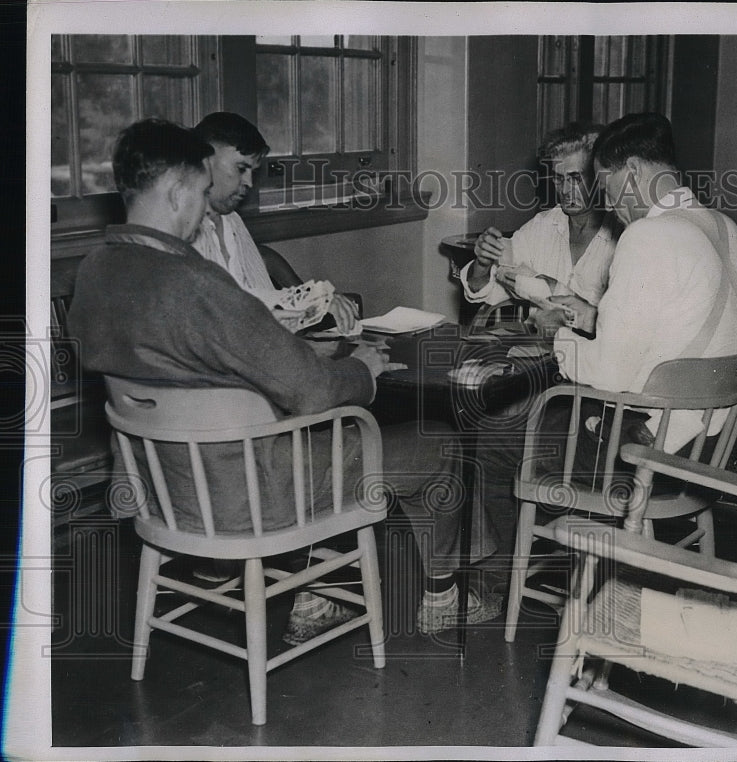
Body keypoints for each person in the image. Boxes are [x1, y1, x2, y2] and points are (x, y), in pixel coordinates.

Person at [67, 119, 502, 640]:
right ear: (179, 191)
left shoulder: (93, 272)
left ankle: (313, 592)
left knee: (316, 430)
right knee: (439, 447)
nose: (208, 209)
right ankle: (442, 599)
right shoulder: (200, 285)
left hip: (160, 488)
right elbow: (313, 390)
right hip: (248, 494)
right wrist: (363, 368)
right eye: (205, 194)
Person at [475, 112, 737, 568]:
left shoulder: (647, 234)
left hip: (645, 451)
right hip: (708, 447)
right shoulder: (723, 226)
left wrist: (557, 333)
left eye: (604, 186)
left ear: (636, 173)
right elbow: (696, 328)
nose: (607, 205)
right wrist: (590, 315)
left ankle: (497, 583)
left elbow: (607, 374)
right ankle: (579, 551)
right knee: (552, 425)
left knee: (491, 432)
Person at [191, 111, 358, 333]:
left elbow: (255, 292)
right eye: (241, 169)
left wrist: (317, 299)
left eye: (253, 171)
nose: (249, 182)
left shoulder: (231, 220)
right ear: (204, 162)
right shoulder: (186, 228)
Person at [458, 123, 621, 335]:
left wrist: (556, 289)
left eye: (575, 178)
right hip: (541, 358)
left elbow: (625, 330)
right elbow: (483, 290)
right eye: (558, 178)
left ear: (597, 177)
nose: (564, 190)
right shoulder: (542, 227)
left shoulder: (623, 234)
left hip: (597, 360)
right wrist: (482, 264)